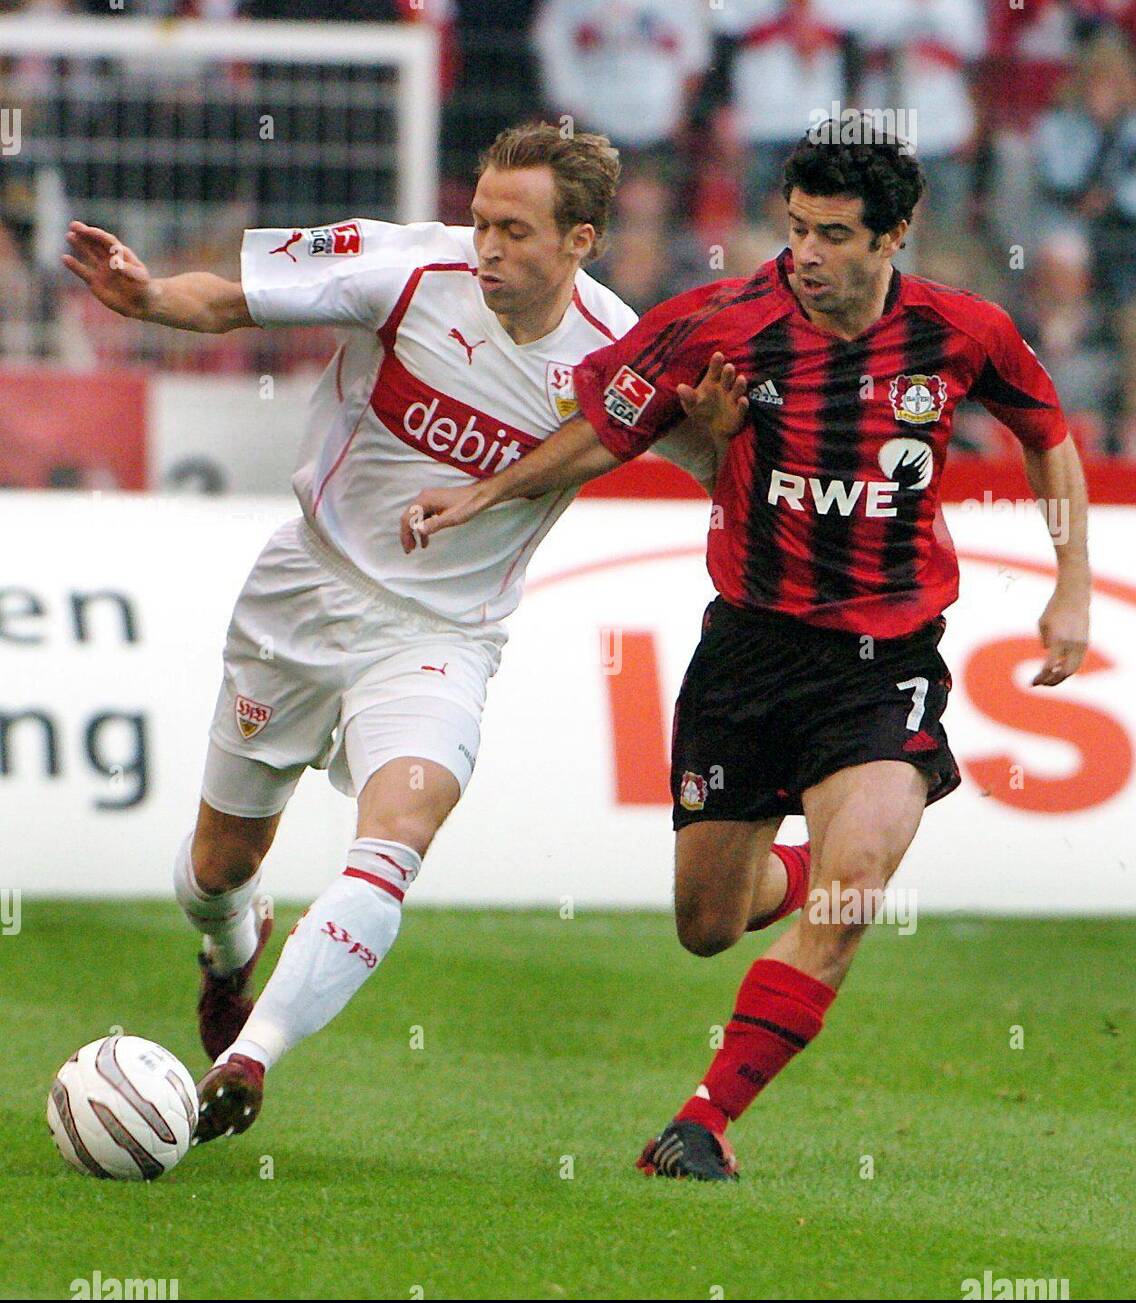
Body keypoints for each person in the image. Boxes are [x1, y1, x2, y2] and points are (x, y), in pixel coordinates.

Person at [62, 122, 808, 1146]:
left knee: (395, 835)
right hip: (303, 593)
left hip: (444, 635)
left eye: (513, 229)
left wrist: (727, 437)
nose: (485, 246)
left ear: (580, 239)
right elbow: (230, 299)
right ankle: (230, 946)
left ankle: (251, 1055)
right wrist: (149, 298)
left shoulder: (620, 354)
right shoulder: (405, 266)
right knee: (218, 865)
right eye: (480, 219)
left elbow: (726, 475)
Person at [401, 120, 1092, 1181]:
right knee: (704, 922)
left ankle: (702, 1119)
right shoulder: (719, 321)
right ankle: (817, 862)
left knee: (853, 894)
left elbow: (1046, 430)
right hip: (749, 652)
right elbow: (605, 431)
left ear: (892, 235)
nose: (804, 254)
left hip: (883, 656)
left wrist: (1069, 589)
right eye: (794, 228)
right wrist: (487, 490)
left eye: (831, 235)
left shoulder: (959, 333)